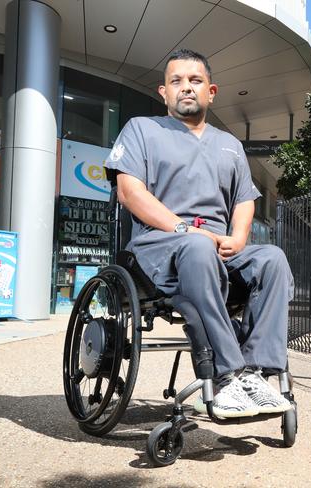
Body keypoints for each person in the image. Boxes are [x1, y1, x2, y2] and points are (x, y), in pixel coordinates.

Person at [104, 49, 294, 419]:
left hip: (219, 248)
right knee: (195, 246)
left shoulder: (230, 145)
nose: (185, 88)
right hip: (160, 245)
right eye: (176, 81)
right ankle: (228, 375)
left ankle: (255, 373)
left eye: (195, 81)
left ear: (212, 91)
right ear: (163, 91)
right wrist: (182, 228)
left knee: (272, 258)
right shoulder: (142, 129)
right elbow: (130, 192)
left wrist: (239, 237)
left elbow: (243, 201)